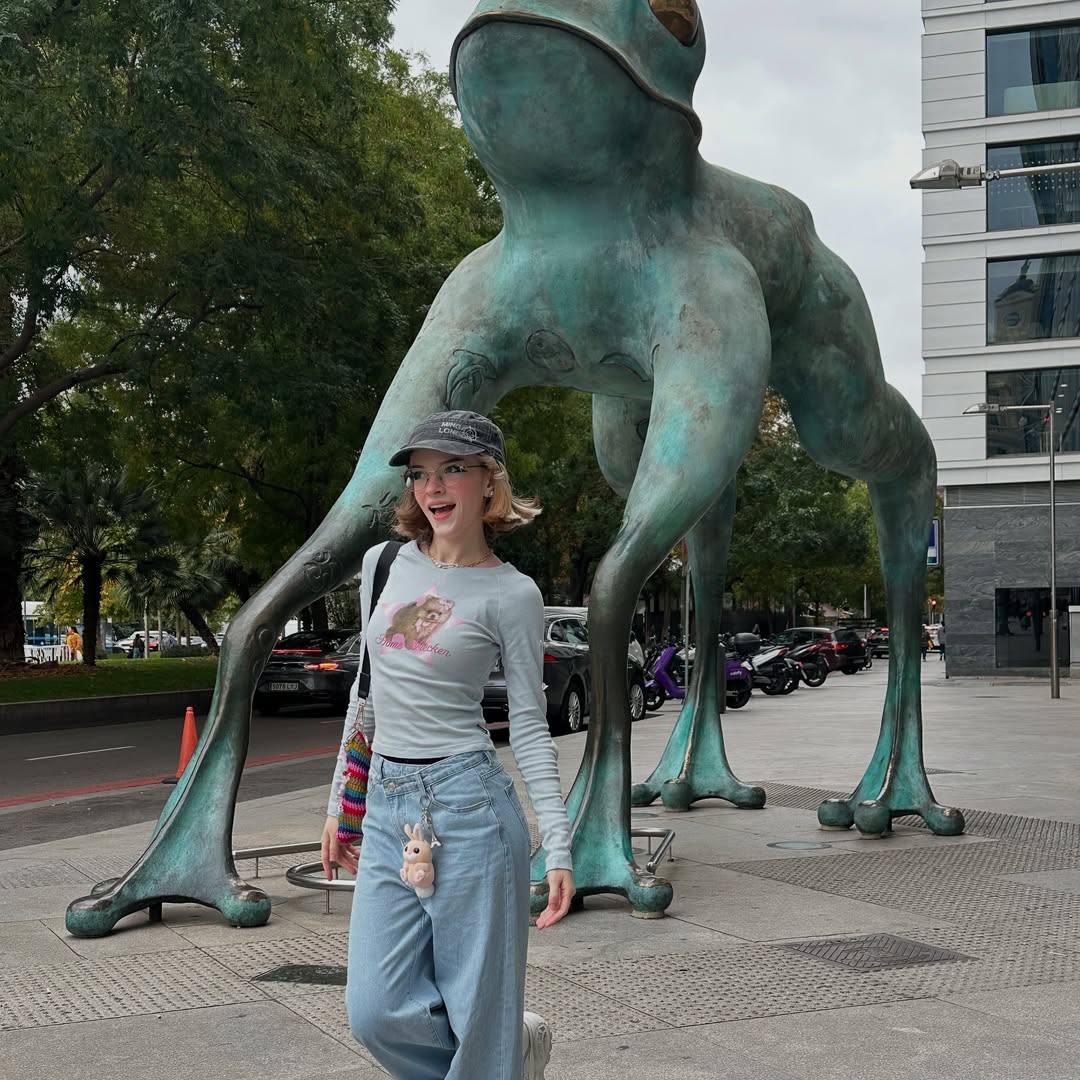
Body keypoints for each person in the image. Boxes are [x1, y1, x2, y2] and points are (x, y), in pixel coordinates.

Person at [321, 410, 574, 1080]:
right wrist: (342, 806)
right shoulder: (384, 564)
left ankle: (498, 1054)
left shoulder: (512, 594)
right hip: (387, 806)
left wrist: (558, 843)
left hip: (469, 807)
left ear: (490, 481)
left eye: (452, 469)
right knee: (375, 1010)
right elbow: (366, 696)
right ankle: (509, 1055)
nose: (432, 487)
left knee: (477, 1014)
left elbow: (529, 724)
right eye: (420, 473)